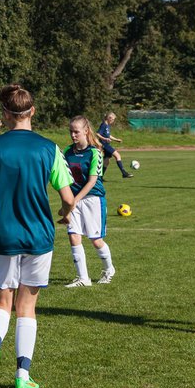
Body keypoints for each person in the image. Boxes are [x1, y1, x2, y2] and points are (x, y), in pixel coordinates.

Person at [0, 85, 76, 388]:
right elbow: (68, 197)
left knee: (1, 301)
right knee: (26, 307)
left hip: (2, 233)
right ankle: (22, 375)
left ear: (4, 114)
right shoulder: (49, 148)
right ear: (33, 112)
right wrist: (65, 212)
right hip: (38, 234)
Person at [62, 116, 116, 287]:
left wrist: (73, 201)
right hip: (74, 200)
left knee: (95, 239)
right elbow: (64, 179)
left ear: (86, 131)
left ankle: (109, 269)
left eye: (76, 131)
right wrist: (67, 203)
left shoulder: (95, 152)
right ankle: (83, 278)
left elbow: (92, 181)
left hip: (93, 199)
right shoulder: (67, 152)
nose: (73, 135)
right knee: (73, 236)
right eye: (71, 131)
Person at [97, 112, 134, 178]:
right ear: (109, 118)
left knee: (107, 161)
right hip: (104, 144)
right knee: (117, 155)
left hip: (106, 144)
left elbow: (108, 135)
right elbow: (98, 134)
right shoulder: (104, 125)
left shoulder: (107, 125)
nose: (113, 121)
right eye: (113, 119)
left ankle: (100, 177)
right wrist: (105, 139)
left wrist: (116, 139)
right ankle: (124, 173)